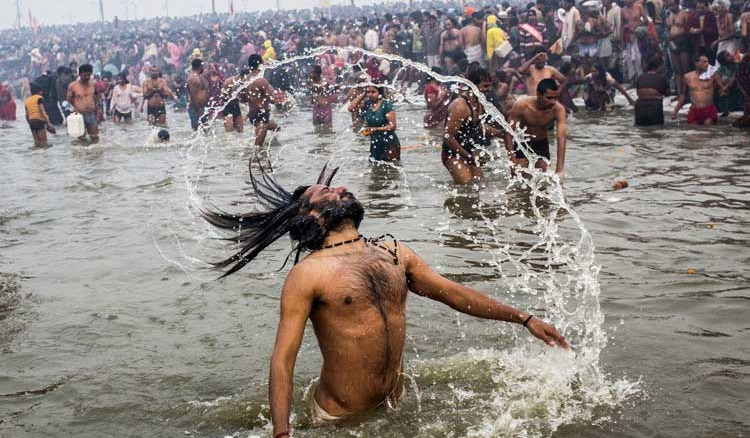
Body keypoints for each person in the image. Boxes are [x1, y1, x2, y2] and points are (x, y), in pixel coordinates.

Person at [199, 162, 569, 435]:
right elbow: (283, 359)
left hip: (396, 405)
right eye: (327, 193)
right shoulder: (308, 274)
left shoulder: (393, 251)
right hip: (340, 421)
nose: (341, 188)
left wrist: (524, 319)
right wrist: (282, 431)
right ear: (310, 214)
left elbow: (454, 294)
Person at [442, 68, 504, 185]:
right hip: (452, 154)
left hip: (469, 152)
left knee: (480, 184)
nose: (489, 90)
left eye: (490, 86)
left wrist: (499, 133)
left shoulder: (478, 102)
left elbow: (478, 125)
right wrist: (469, 157)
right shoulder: (460, 106)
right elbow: (448, 137)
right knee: (467, 186)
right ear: (472, 86)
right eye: (485, 86)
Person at [504, 78, 568, 174]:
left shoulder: (558, 109)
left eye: (556, 98)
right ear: (539, 94)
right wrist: (512, 159)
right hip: (523, 143)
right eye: (549, 98)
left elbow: (561, 138)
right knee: (519, 175)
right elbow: (508, 133)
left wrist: (559, 169)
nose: (553, 102)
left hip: (541, 144)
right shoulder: (522, 105)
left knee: (544, 178)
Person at [348, 85, 401, 162]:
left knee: (391, 169)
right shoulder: (367, 104)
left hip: (389, 143)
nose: (370, 94)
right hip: (375, 143)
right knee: (375, 169)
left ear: (380, 93)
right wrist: (363, 94)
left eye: (373, 92)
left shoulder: (386, 105)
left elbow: (393, 126)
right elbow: (351, 108)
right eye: (368, 92)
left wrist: (376, 129)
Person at [672, 54, 724, 125]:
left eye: (707, 62)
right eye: (704, 62)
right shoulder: (687, 77)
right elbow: (682, 95)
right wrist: (675, 111)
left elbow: (723, 88)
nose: (707, 64)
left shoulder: (713, 75)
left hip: (708, 109)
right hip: (694, 110)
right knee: (694, 132)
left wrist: (722, 90)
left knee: (708, 128)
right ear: (696, 63)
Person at [244, 54, 280, 146]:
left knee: (277, 128)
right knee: (257, 148)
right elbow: (272, 99)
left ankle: (272, 145)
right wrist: (279, 99)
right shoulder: (261, 81)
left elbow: (242, 98)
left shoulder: (246, 79)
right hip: (261, 116)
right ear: (260, 64)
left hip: (253, 114)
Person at [66, 64, 100, 143]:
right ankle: (83, 155)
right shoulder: (73, 86)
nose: (87, 77)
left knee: (95, 137)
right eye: (84, 75)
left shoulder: (93, 84)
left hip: (91, 113)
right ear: (80, 74)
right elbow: (67, 102)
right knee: (81, 138)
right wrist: (74, 110)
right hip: (79, 116)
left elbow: (98, 94)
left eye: (89, 75)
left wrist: (97, 106)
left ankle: (95, 154)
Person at [635, 56, 669, 125]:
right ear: (659, 66)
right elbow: (667, 93)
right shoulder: (661, 78)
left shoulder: (640, 77)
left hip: (640, 107)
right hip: (654, 107)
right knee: (657, 130)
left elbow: (637, 93)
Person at [25, 82, 55, 147]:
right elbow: (42, 111)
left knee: (36, 143)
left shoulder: (27, 100)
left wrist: (30, 123)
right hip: (38, 121)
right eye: (41, 91)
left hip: (31, 122)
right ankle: (43, 156)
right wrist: (49, 123)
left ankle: (35, 155)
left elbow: (27, 115)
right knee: (44, 143)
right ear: (38, 91)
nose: (42, 92)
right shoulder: (39, 98)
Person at [221, 69, 249, 133]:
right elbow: (222, 95)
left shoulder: (243, 82)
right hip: (227, 106)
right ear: (243, 76)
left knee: (240, 131)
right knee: (229, 133)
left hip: (236, 106)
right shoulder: (229, 81)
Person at [187, 58, 209, 131]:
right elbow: (193, 96)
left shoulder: (199, 77)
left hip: (202, 108)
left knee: (205, 131)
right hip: (196, 109)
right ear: (200, 67)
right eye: (203, 66)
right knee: (197, 132)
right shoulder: (193, 78)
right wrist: (199, 111)